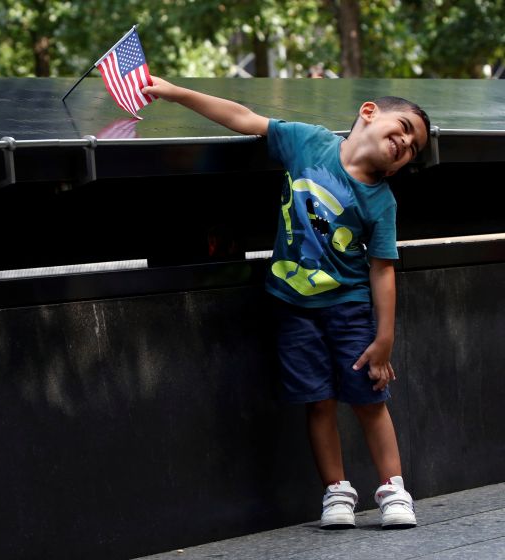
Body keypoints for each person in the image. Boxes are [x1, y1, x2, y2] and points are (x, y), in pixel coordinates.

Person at [141, 76, 429, 530]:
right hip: (293, 309)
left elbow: (382, 269)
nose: (405, 142)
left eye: (413, 146)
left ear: (397, 169)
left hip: (349, 311)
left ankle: (394, 489)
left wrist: (384, 339)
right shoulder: (307, 142)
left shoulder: (381, 199)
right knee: (317, 401)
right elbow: (241, 117)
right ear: (369, 112)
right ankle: (336, 492)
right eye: (405, 127)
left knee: (370, 400)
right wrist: (173, 91)